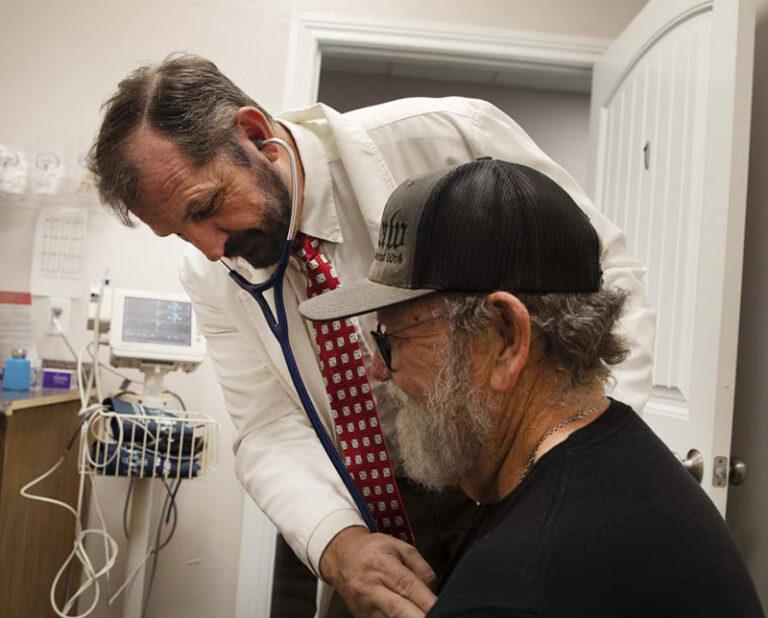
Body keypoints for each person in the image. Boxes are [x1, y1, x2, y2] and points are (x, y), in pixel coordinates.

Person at [88, 54, 656, 617]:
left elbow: (602, 278)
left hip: (516, 465)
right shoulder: (213, 274)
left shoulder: (443, 138)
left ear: (256, 134)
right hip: (371, 515)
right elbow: (268, 426)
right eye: (179, 234)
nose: (211, 248)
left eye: (206, 207)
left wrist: (591, 460)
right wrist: (337, 544)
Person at [298, 158, 764, 618]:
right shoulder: (621, 452)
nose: (379, 370)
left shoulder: (516, 587)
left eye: (391, 339)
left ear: (505, 337)